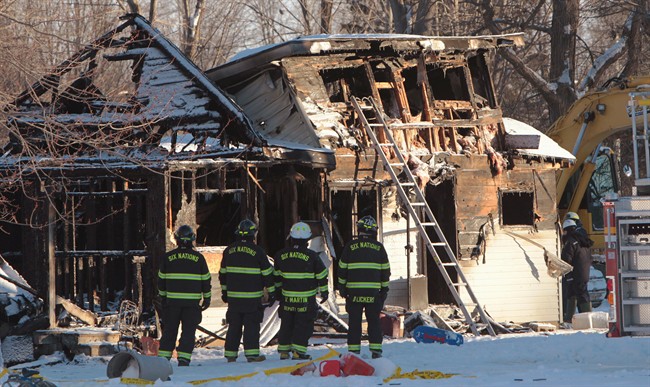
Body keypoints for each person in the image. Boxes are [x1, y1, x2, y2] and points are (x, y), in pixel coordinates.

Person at [219, 219, 275, 363]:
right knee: (251, 326)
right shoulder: (258, 252)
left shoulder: (228, 251)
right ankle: (252, 355)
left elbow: (223, 274)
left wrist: (225, 293)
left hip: (234, 298)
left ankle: (231, 355)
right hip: (252, 299)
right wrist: (272, 292)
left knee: (234, 326)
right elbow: (268, 274)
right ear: (253, 234)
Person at [157, 225, 211, 366]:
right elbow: (206, 280)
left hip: (172, 303)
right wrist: (207, 298)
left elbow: (161, 281)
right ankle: (184, 359)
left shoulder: (168, 258)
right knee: (188, 331)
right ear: (192, 238)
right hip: (191, 304)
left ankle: (163, 360)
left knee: (169, 330)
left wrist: (164, 298)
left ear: (177, 239)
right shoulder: (199, 258)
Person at [338, 215, 391, 359]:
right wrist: (384, 290)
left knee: (354, 323)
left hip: (353, 293)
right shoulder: (379, 248)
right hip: (373, 294)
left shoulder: (350, 246)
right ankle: (376, 351)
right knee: (374, 321)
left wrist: (342, 287)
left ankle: (354, 352)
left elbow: (342, 269)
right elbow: (385, 271)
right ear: (374, 230)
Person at [273, 221, 328, 360]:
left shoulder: (280, 255)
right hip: (305, 301)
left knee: (286, 324)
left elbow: (276, 277)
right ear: (307, 239)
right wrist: (325, 292)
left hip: (287, 299)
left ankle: (284, 351)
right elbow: (322, 275)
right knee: (303, 325)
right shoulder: (312, 256)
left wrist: (278, 292)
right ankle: (298, 351)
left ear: (291, 238)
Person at [561, 212, 593, 323]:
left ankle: (587, 318)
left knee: (581, 293)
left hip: (575, 273)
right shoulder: (582, 240)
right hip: (584, 271)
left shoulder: (571, 242)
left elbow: (566, 260)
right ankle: (569, 318)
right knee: (572, 293)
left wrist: (567, 274)